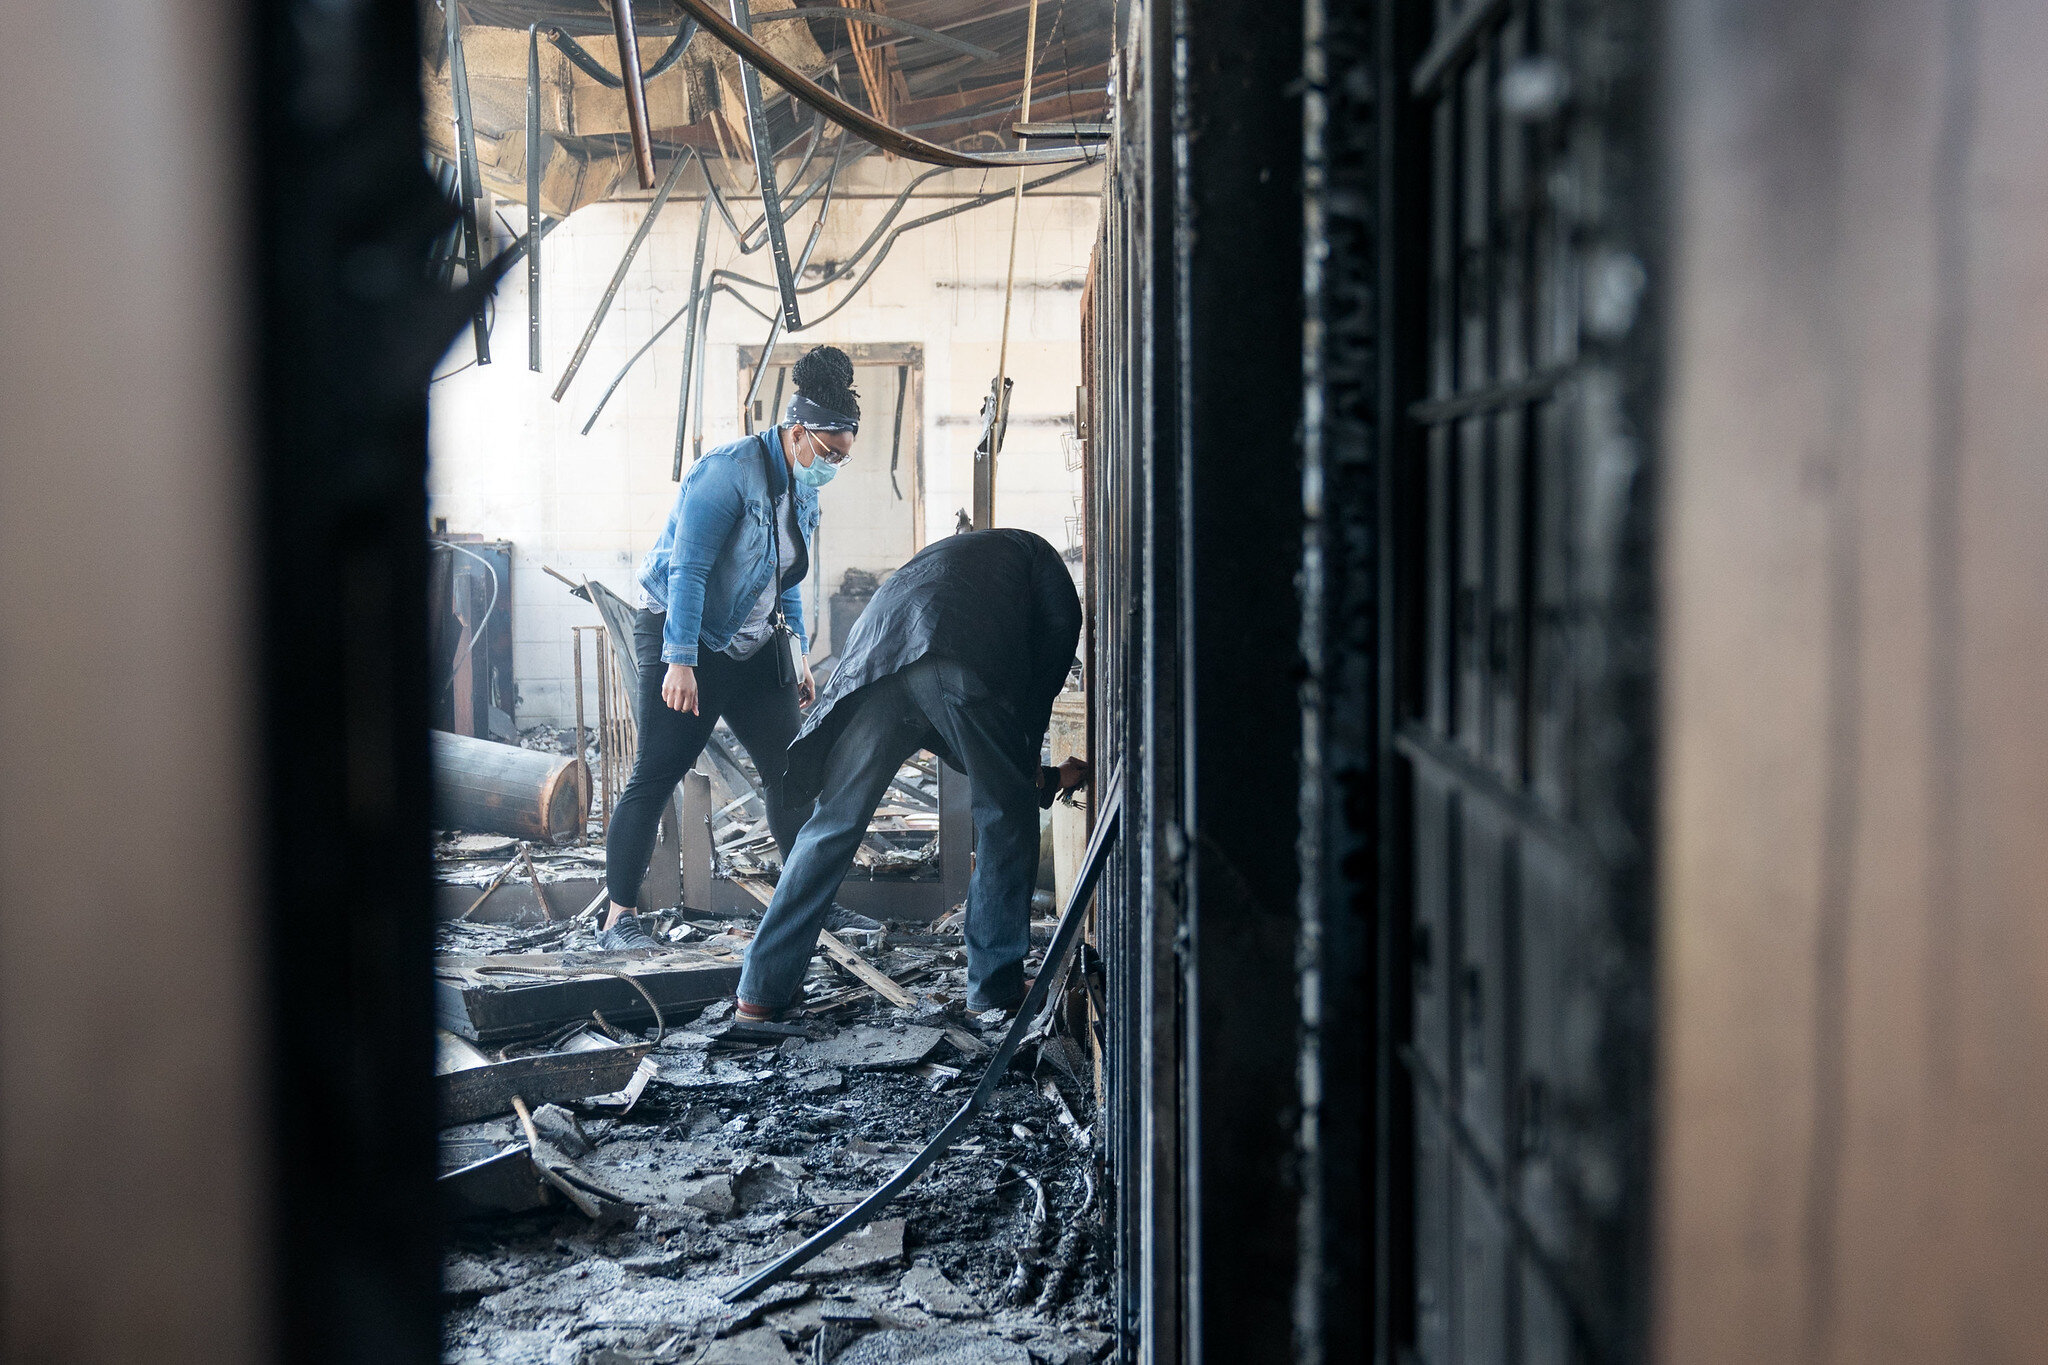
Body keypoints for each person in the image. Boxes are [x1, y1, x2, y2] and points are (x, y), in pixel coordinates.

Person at [736, 528, 1088, 1019]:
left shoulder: (975, 560)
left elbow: (961, 741)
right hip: (950, 649)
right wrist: (1032, 779)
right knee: (1005, 821)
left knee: (832, 823)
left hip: (879, 655)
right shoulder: (1055, 587)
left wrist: (1044, 780)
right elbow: (1027, 713)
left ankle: (761, 991)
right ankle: (997, 987)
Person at [596, 346, 858, 950]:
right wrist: (680, 660)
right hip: (684, 634)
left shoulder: (803, 484)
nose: (833, 467)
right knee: (656, 772)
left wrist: (793, 656)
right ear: (797, 433)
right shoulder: (726, 471)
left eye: (843, 458)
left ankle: (810, 908)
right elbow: (688, 570)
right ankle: (618, 918)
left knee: (791, 774)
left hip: (752, 642)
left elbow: (783, 577)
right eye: (829, 454)